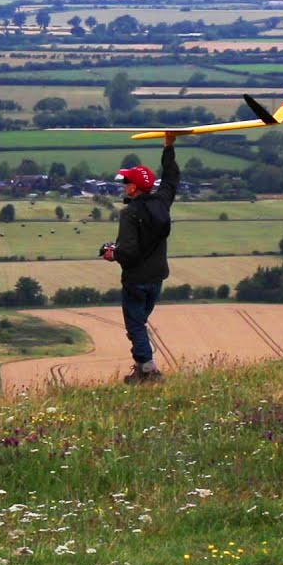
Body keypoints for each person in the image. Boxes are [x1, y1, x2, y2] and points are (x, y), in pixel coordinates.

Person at [101, 135, 180, 384]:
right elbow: (171, 179)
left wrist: (111, 253)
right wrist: (169, 147)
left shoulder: (130, 213)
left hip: (136, 281)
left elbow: (129, 252)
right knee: (139, 324)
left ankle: (149, 370)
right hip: (157, 278)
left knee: (135, 326)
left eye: (126, 182)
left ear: (134, 188)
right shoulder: (162, 203)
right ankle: (140, 370)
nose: (124, 186)